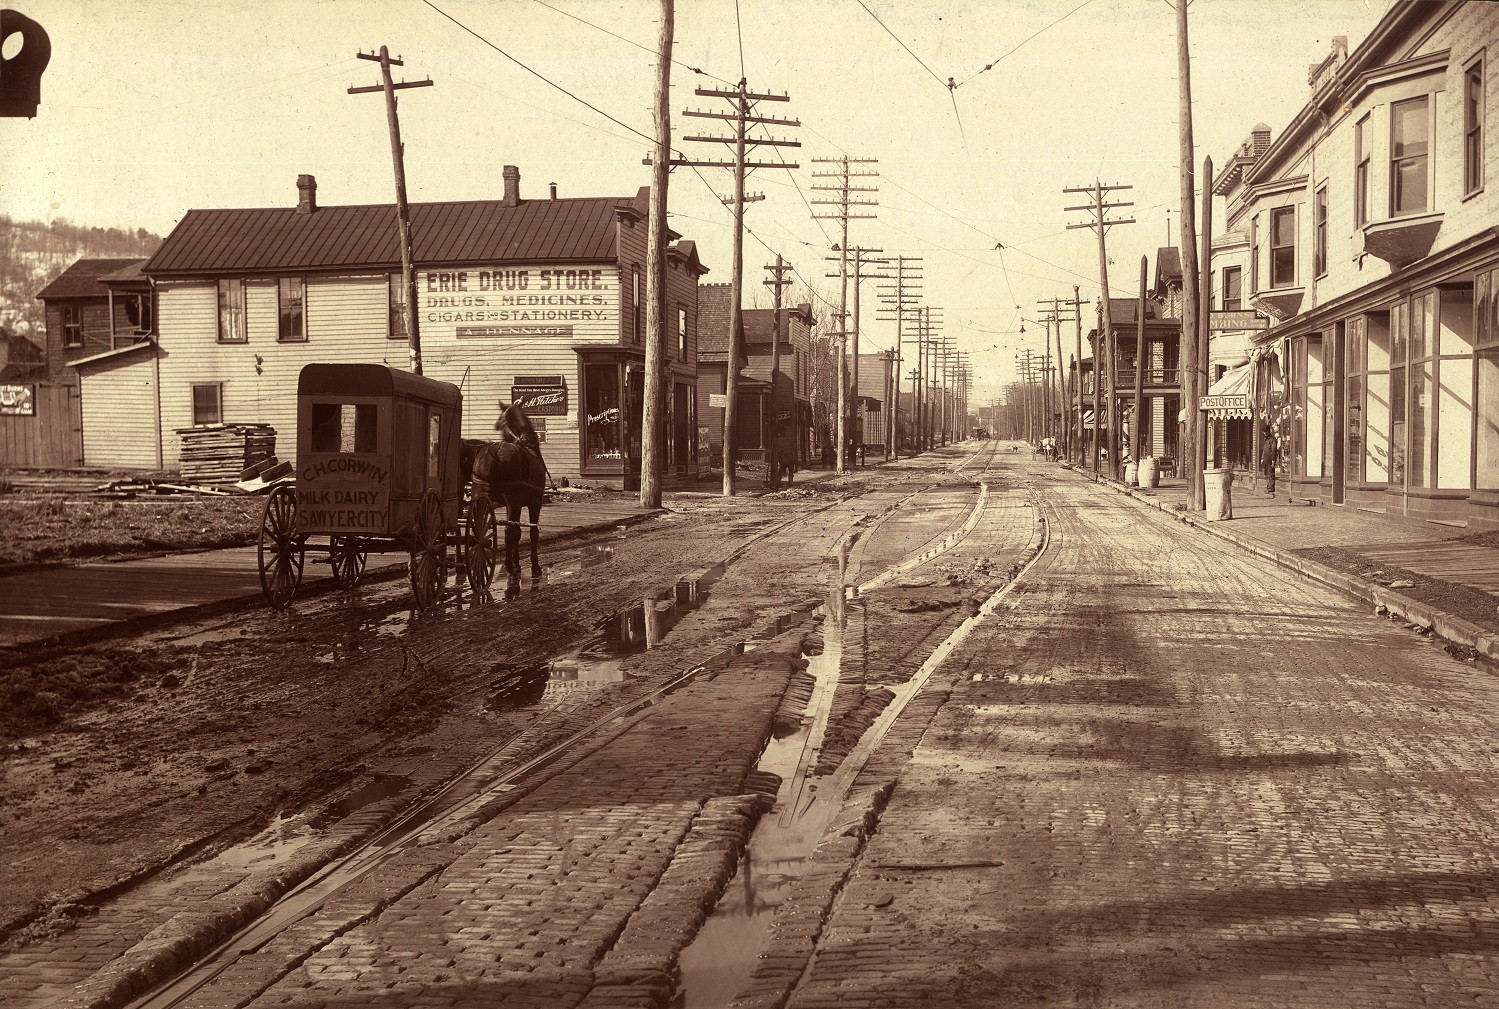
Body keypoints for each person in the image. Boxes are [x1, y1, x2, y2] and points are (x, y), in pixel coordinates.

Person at [1261, 427, 1279, 495]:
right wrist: (1262, 458)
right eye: (1264, 432)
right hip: (1265, 459)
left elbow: (1274, 450)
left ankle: (1271, 488)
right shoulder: (1265, 439)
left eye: (1266, 432)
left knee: (1270, 473)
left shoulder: (1272, 439)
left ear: (1269, 431)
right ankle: (1268, 487)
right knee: (1266, 474)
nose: (1265, 433)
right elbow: (1264, 449)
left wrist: (1273, 460)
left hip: (1270, 459)